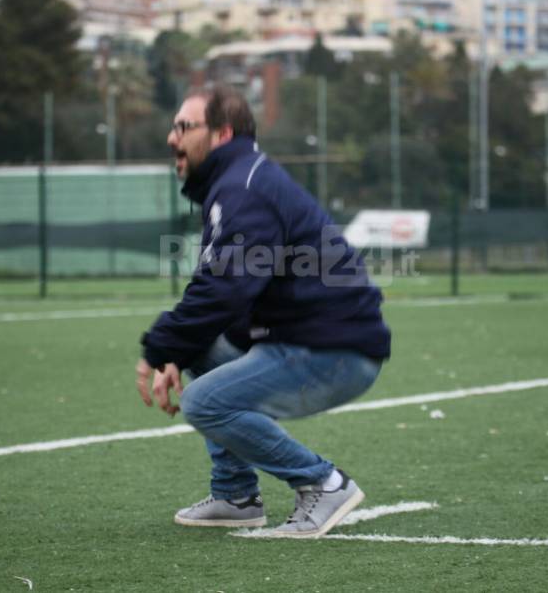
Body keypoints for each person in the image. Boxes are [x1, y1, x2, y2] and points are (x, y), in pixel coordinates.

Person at [135, 86, 391, 538]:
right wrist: (179, 346)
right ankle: (236, 496)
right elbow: (230, 292)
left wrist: (160, 347)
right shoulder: (237, 181)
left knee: (203, 403)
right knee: (197, 348)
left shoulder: (242, 188)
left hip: (330, 350)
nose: (172, 138)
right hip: (307, 338)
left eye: (184, 127)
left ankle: (323, 483)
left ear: (222, 134)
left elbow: (224, 288)